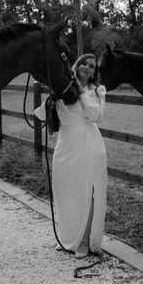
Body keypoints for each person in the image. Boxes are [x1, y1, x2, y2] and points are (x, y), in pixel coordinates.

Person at [35, 53, 108, 258]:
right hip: (65, 145)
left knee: (87, 192)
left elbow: (95, 116)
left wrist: (81, 92)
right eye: (84, 63)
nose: (87, 67)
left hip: (88, 144)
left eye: (92, 66)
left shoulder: (97, 91)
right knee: (64, 190)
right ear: (76, 65)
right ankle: (69, 238)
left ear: (95, 72)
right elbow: (41, 115)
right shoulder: (62, 89)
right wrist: (52, 99)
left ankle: (85, 241)